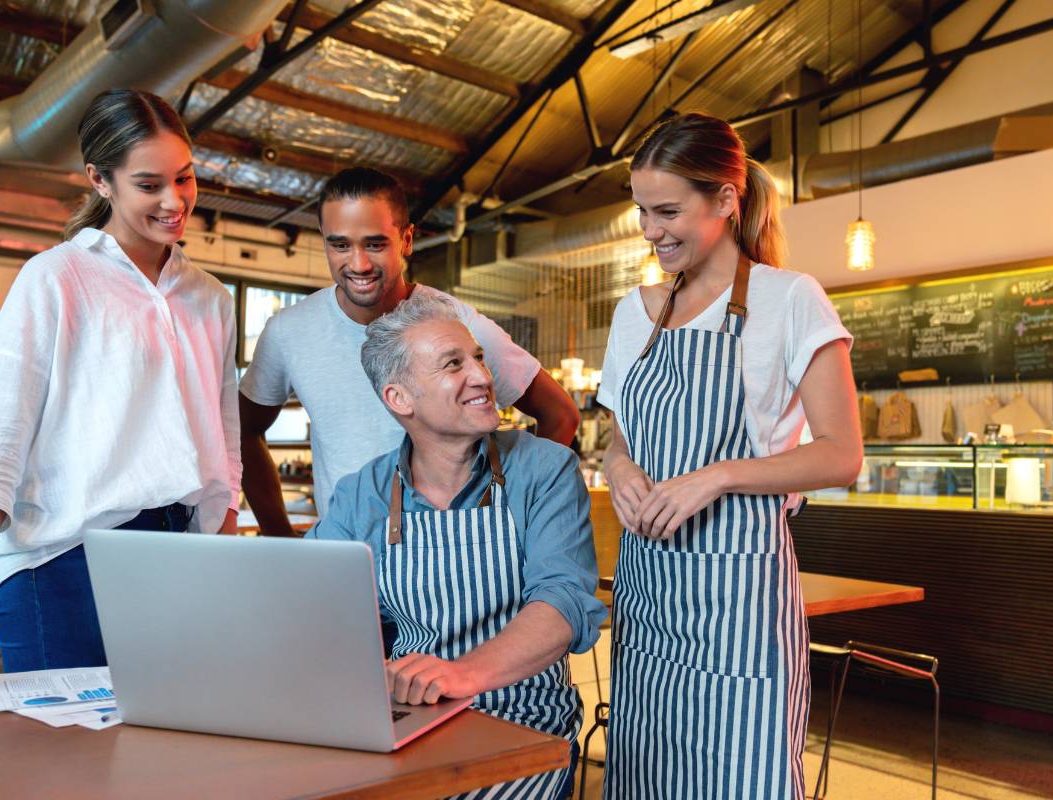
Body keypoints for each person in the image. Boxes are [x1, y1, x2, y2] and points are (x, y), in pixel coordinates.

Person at [0, 89, 241, 709]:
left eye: (184, 176)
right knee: (66, 774)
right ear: (101, 180)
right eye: (149, 185)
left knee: (166, 759)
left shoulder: (212, 299)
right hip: (62, 566)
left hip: (180, 559)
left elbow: (222, 446)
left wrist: (220, 563)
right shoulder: (57, 277)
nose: (174, 201)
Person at [598, 113, 862, 799]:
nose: (652, 232)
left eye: (667, 211)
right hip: (649, 592)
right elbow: (619, 429)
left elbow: (842, 456)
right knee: (646, 775)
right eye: (641, 213)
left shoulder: (789, 299)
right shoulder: (635, 312)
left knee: (745, 777)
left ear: (725, 199)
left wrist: (717, 477)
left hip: (739, 602)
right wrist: (618, 466)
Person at [314, 292, 605, 799]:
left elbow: (561, 605)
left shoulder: (543, 470)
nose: (482, 377)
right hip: (408, 717)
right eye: (454, 364)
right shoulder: (362, 494)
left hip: (523, 722)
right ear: (399, 399)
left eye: (478, 358)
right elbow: (311, 604)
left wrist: (462, 674)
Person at [238, 167, 579, 536]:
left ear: (406, 240)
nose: (359, 264)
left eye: (375, 244)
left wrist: (513, 514)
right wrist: (279, 533)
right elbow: (243, 431)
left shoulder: (458, 325)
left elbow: (560, 415)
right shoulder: (288, 331)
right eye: (340, 245)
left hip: (457, 552)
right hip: (348, 556)